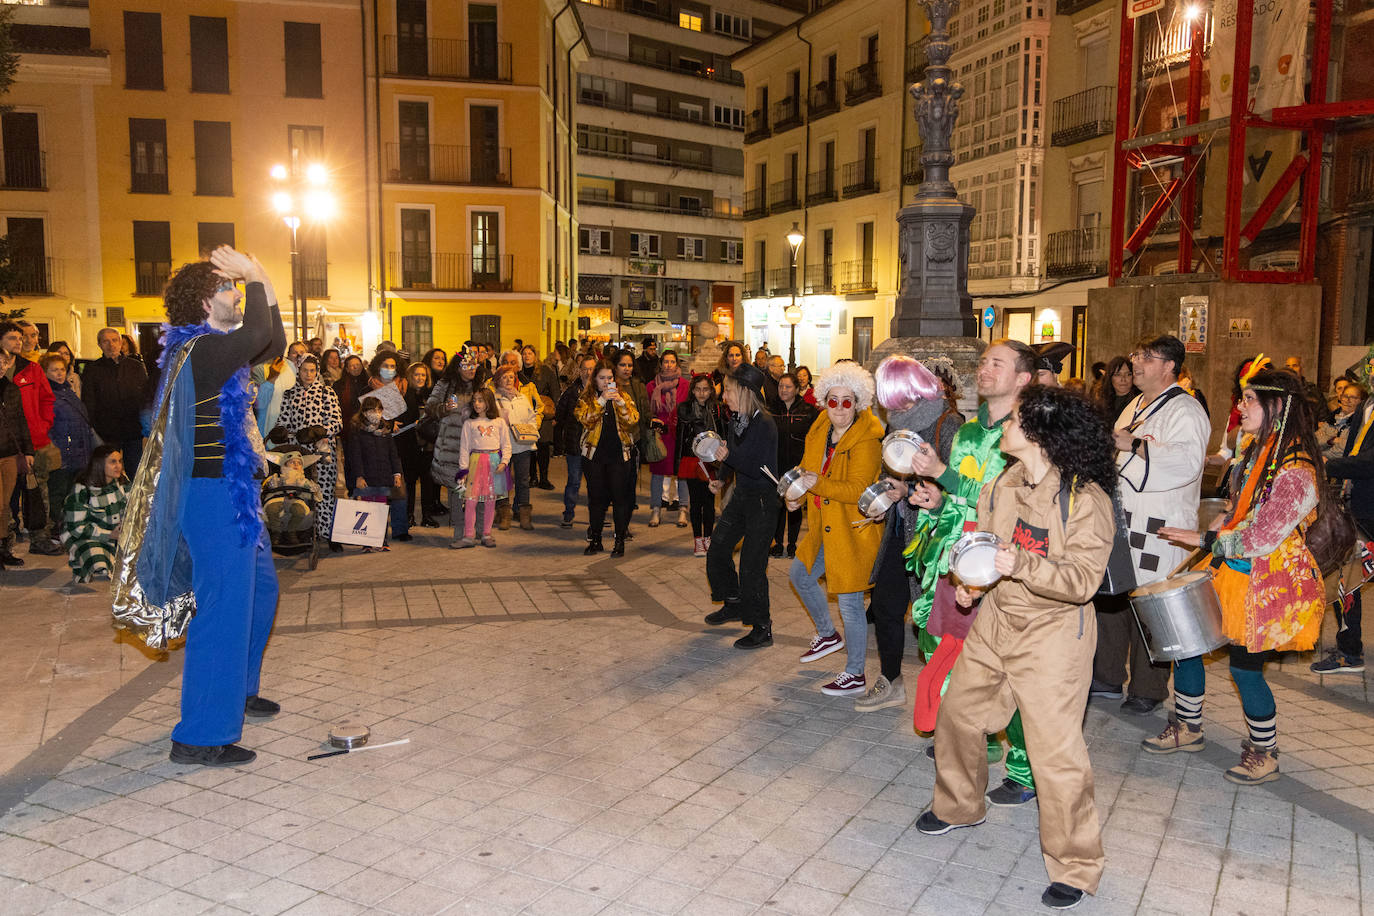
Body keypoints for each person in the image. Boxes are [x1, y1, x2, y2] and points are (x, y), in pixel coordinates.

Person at [918, 385, 1117, 912]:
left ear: (1038, 434)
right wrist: (971, 584)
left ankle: (1076, 864)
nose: (1003, 423)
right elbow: (983, 546)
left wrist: (1019, 565)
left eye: (1015, 419)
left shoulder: (1086, 500)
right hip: (996, 620)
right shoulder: (1005, 482)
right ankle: (961, 806)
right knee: (958, 715)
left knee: (1056, 754)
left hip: (1054, 635)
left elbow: (1082, 581)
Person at [112, 246, 286, 767]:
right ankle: (201, 735)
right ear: (207, 301)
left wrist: (264, 281)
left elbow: (271, 340)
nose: (238, 295)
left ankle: (239, 691)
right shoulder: (197, 352)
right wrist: (253, 273)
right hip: (210, 496)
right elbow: (257, 336)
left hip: (231, 492)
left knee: (260, 591)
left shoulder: (217, 348)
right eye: (230, 288)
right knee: (224, 609)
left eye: (239, 288)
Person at [1149, 368, 1328, 784]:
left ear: (1277, 407)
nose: (1239, 407)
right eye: (1240, 397)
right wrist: (1215, 529)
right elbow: (1238, 511)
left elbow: (1263, 537)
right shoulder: (1256, 449)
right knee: (1187, 642)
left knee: (1245, 669)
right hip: (1229, 570)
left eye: (1249, 399)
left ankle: (1265, 752)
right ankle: (1188, 727)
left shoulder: (1297, 467)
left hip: (1266, 581)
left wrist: (1204, 537)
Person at [907, 340, 1036, 801]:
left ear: (1022, 378)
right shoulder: (967, 429)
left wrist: (944, 474)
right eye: (983, 362)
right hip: (954, 559)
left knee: (1004, 669)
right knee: (942, 649)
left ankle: (1024, 769)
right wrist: (936, 500)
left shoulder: (1031, 433)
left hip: (1001, 567)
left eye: (996, 363)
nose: (984, 368)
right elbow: (960, 499)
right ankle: (972, 735)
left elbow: (1008, 502)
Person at [1092, 335, 1211, 715]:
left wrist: (1137, 446)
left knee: (1150, 603)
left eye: (1145, 357)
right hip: (1124, 517)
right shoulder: (1133, 407)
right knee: (1114, 597)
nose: (1136, 363)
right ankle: (1108, 675)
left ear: (1169, 366)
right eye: (1136, 354)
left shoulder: (1187, 410)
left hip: (1160, 525)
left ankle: (1149, 686)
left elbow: (1188, 462)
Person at [856, 355, 962, 713]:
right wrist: (888, 491)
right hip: (900, 528)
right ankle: (891, 680)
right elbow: (895, 469)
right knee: (885, 605)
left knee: (933, 619)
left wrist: (911, 488)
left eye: (896, 398)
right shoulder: (897, 424)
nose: (892, 408)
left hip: (934, 536)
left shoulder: (948, 422)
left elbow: (959, 486)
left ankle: (949, 699)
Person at [788, 362, 885, 696]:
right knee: (800, 575)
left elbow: (858, 489)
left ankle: (855, 673)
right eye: (833, 400)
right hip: (821, 527)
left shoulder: (868, 438)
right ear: (824, 401)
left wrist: (818, 484)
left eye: (848, 401)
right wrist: (796, 497)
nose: (840, 408)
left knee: (850, 605)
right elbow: (807, 470)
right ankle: (828, 634)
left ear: (858, 402)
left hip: (852, 532)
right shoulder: (820, 427)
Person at [703, 364, 779, 648]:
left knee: (752, 565)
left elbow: (756, 466)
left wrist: (728, 457)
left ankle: (762, 626)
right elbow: (732, 455)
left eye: (729, 390)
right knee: (718, 548)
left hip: (762, 500)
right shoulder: (739, 418)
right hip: (742, 496)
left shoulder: (764, 423)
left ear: (745, 391)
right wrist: (721, 480)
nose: (724, 396)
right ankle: (733, 601)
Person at [1315, 348, 1374, 674]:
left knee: (1347, 575)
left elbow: (1370, 461)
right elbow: (1354, 446)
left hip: (1371, 504)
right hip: (1358, 502)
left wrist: (1330, 463)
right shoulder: (1367, 406)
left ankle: (1350, 651)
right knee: (1345, 576)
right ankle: (1349, 651)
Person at [1, 320, 56, 553]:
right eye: (14, 338)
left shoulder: (32, 369)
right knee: (6, 497)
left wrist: (42, 427)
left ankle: (39, 539)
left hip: (34, 442)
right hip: (7, 446)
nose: (20, 342)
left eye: (21, 338)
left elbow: (47, 399)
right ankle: (7, 542)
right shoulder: (2, 369)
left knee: (37, 492)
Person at [277, 355, 343, 549]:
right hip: (298, 455)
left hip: (321, 453)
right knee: (300, 494)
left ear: (317, 371)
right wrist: (281, 432)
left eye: (312, 370)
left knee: (324, 493)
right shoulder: (290, 394)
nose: (308, 374)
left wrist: (320, 431)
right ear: (299, 371)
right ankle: (305, 534)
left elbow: (337, 423)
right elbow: (284, 422)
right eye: (305, 370)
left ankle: (329, 534)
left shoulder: (326, 392)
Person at [576, 361, 639, 556]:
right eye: (602, 378)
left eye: (610, 378)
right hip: (594, 456)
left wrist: (619, 402)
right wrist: (602, 400)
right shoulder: (586, 398)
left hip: (620, 456)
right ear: (595, 379)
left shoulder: (624, 397)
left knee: (620, 499)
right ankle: (595, 539)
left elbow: (632, 420)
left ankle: (619, 541)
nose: (606, 382)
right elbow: (585, 419)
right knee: (596, 500)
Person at [43, 354, 94, 552]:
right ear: (45, 372)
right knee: (59, 493)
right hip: (62, 452)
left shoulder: (68, 391)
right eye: (54, 370)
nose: (59, 373)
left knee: (74, 494)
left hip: (78, 451)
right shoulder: (48, 394)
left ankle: (71, 529)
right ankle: (57, 530)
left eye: (62, 369)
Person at [344, 396, 407, 551]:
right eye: (372, 410)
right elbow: (355, 456)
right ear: (364, 413)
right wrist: (359, 476)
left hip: (383, 477)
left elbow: (393, 455)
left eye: (379, 410)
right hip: (366, 479)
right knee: (367, 510)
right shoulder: (358, 433)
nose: (376, 413)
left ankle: (381, 539)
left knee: (381, 510)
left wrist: (397, 474)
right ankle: (367, 542)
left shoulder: (385, 432)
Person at [61, 445, 130, 582]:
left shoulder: (123, 484)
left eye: (120, 461)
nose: (118, 466)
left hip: (117, 535)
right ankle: (85, 561)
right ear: (99, 464)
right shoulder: (82, 490)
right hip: (88, 536)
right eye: (112, 462)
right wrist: (110, 534)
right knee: (98, 563)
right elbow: (76, 528)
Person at [453, 387, 510, 548]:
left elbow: (506, 445)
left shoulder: (499, 422)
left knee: (490, 501)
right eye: (475, 400)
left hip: (493, 464)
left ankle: (486, 533)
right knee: (470, 501)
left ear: (489, 402)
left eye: (481, 400)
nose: (477, 404)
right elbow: (464, 448)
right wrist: (463, 469)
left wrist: (504, 462)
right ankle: (468, 536)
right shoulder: (469, 424)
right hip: (475, 463)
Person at [769, 372, 817, 558]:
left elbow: (813, 439)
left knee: (795, 503)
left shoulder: (808, 410)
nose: (783, 390)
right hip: (776, 464)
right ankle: (778, 543)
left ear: (797, 389)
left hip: (798, 466)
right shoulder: (771, 409)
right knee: (778, 505)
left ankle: (792, 544)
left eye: (788, 387)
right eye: (781, 386)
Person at [676, 374, 725, 557]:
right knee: (695, 503)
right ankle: (698, 540)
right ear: (692, 390)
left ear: (711, 390)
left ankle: (708, 538)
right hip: (692, 460)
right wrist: (677, 465)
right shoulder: (685, 409)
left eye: (705, 389)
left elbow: (722, 434)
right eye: (698, 389)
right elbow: (680, 437)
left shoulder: (718, 409)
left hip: (712, 461)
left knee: (710, 503)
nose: (702, 393)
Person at [492, 364, 542, 530]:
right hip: (502, 447)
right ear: (498, 379)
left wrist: (532, 430)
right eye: (504, 377)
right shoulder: (494, 399)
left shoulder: (522, 398)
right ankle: (503, 515)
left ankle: (523, 515)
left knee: (523, 480)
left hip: (523, 446)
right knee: (502, 481)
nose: (508, 380)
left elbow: (531, 417)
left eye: (511, 377)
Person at [646, 349, 691, 529]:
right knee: (657, 473)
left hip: (679, 434)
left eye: (672, 362)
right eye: (666, 361)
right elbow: (647, 409)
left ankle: (683, 509)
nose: (669, 365)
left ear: (677, 365)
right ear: (661, 364)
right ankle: (656, 509)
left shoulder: (686, 385)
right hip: (659, 435)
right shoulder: (651, 386)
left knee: (682, 473)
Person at [555, 355, 596, 527]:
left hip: (595, 445)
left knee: (596, 483)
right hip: (575, 445)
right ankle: (568, 513)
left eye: (592, 368)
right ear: (579, 371)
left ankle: (597, 515)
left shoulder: (602, 391)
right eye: (585, 369)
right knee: (574, 481)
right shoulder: (572, 392)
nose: (588, 372)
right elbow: (560, 414)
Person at [0, 358, 32, 567]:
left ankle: (3, 549)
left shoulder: (11, 388)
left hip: (10, 453)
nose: (1, 366)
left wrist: (28, 451)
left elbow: (21, 420)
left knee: (5, 505)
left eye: (4, 362)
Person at [398, 362, 436, 529]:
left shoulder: (431, 396)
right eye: (417, 375)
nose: (420, 378)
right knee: (410, 482)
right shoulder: (404, 395)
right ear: (410, 376)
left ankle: (427, 516)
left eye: (423, 375)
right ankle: (409, 515)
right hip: (409, 445)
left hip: (428, 446)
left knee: (428, 482)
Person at [614, 350, 650, 512]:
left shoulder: (638, 386)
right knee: (616, 481)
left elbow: (645, 411)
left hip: (633, 441)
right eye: (622, 365)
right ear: (615, 366)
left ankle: (626, 511)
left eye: (629, 365)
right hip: (613, 442)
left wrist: (652, 420)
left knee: (630, 478)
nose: (626, 368)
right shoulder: (609, 386)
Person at [260, 449, 322, 545]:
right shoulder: (278, 477)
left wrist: (308, 486)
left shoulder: (303, 479)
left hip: (296, 499)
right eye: (292, 462)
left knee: (299, 511)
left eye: (299, 463)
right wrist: (272, 483)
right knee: (271, 509)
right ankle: (276, 532)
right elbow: (267, 486)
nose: (296, 465)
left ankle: (291, 531)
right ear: (284, 465)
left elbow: (313, 491)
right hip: (277, 498)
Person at [519, 345, 559, 491]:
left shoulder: (545, 371)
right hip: (525, 415)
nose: (527, 356)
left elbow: (555, 391)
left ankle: (544, 478)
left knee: (543, 447)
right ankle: (532, 477)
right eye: (524, 354)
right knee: (529, 448)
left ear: (535, 356)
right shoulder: (518, 372)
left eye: (530, 353)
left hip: (544, 414)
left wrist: (556, 414)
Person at [334, 355, 371, 438]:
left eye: (358, 365)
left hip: (367, 426)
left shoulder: (369, 383)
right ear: (347, 369)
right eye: (352, 365)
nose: (355, 367)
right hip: (347, 426)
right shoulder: (339, 385)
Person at [1093, 356, 1137, 421]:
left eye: (1128, 374)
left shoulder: (1139, 402)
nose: (1123, 379)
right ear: (1110, 378)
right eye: (1118, 374)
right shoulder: (1102, 401)